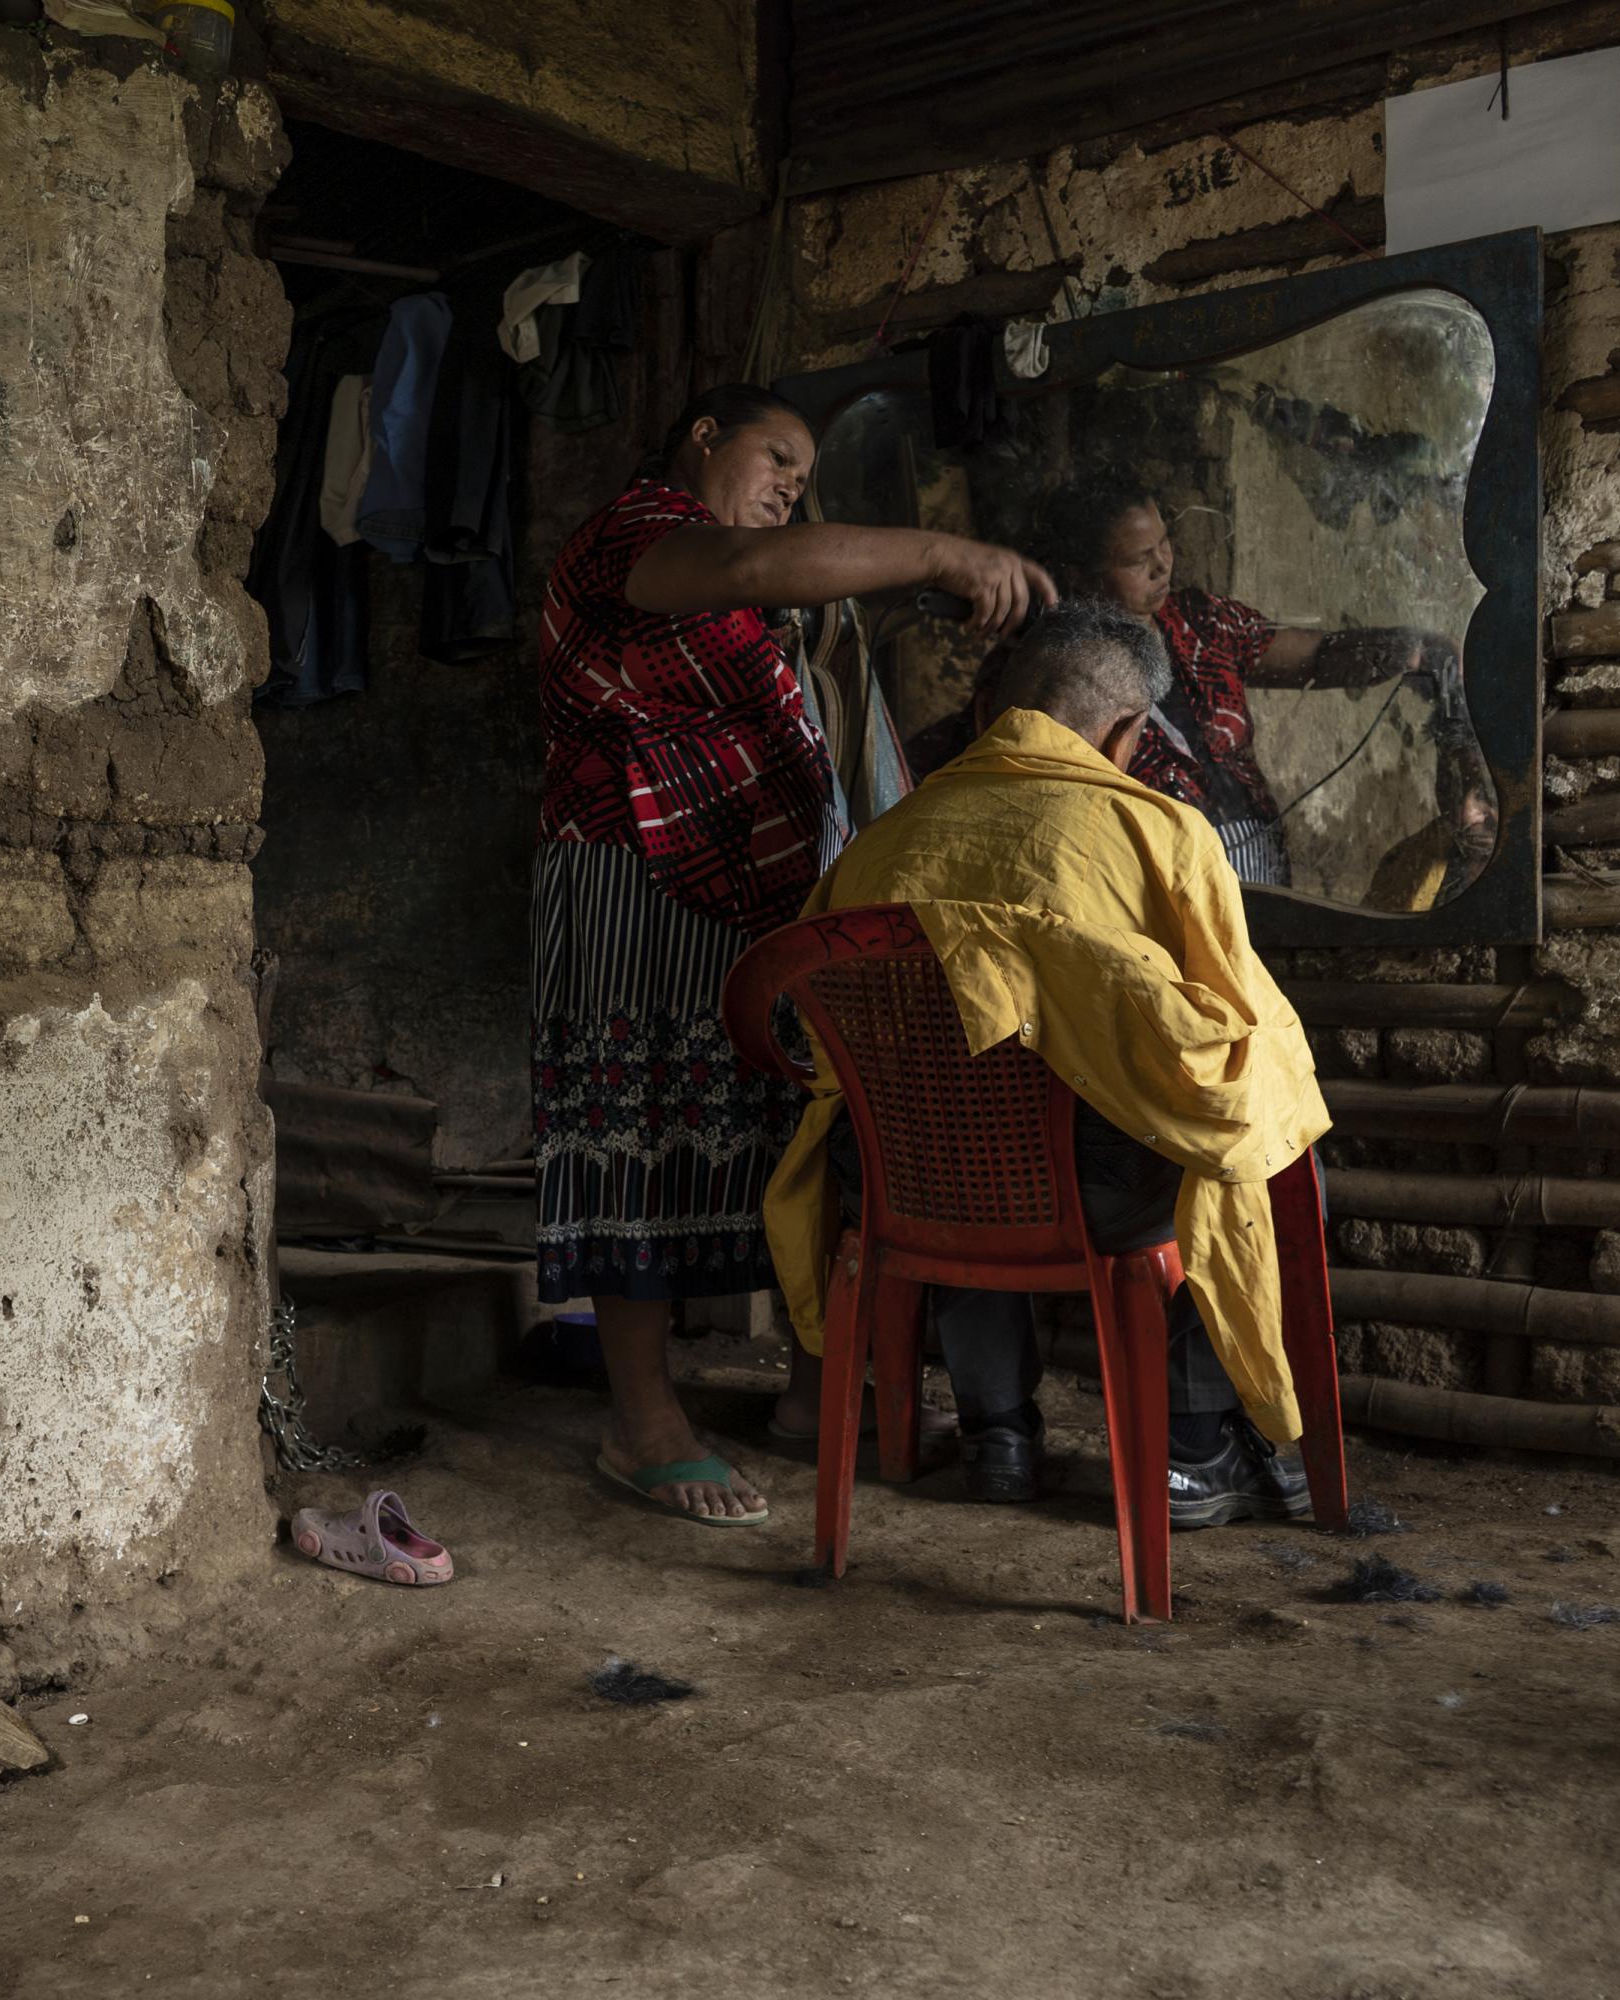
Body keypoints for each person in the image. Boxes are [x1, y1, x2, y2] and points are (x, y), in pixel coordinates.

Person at [532, 383, 1054, 1526]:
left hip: (747, 891)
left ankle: (813, 1390)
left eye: (803, 478)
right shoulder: (638, 538)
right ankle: (642, 1423)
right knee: (639, 1129)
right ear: (702, 437)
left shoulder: (755, 602)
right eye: (776, 457)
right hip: (630, 869)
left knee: (789, 1132)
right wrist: (943, 552)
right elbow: (751, 568)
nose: (788, 487)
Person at [764, 601, 1332, 1521]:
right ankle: (1194, 1449)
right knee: (1243, 1138)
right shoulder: (1160, 832)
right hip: (1091, 1198)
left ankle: (998, 1434)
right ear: (1124, 730)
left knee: (956, 1128)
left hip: (902, 1184)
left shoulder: (884, 843)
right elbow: (1235, 1046)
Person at [911, 476, 1475, 891]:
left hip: (1261, 882)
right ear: (1081, 575)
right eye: (1138, 560)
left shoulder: (1201, 624)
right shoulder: (1045, 670)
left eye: (1165, 545)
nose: (1163, 567)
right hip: (1151, 899)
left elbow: (1321, 657)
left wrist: (1414, 648)